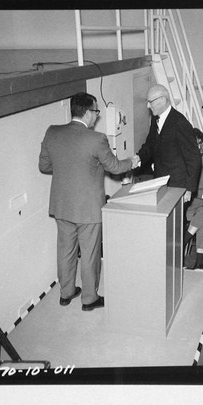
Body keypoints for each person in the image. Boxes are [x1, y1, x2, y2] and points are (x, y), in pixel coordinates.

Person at [39, 92, 138, 311]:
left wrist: (68, 166)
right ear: (86, 112)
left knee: (65, 252)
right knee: (90, 254)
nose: (97, 116)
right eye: (95, 111)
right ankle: (89, 298)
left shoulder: (52, 132)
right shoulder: (97, 139)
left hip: (62, 205)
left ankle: (66, 294)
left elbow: (44, 166)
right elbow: (114, 167)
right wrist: (133, 160)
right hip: (88, 209)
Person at [137, 84, 201, 203]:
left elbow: (194, 158)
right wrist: (138, 158)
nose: (147, 106)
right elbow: (150, 145)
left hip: (177, 185)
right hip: (160, 182)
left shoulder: (180, 123)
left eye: (150, 102)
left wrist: (189, 189)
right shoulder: (155, 119)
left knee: (175, 220)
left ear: (162, 100)